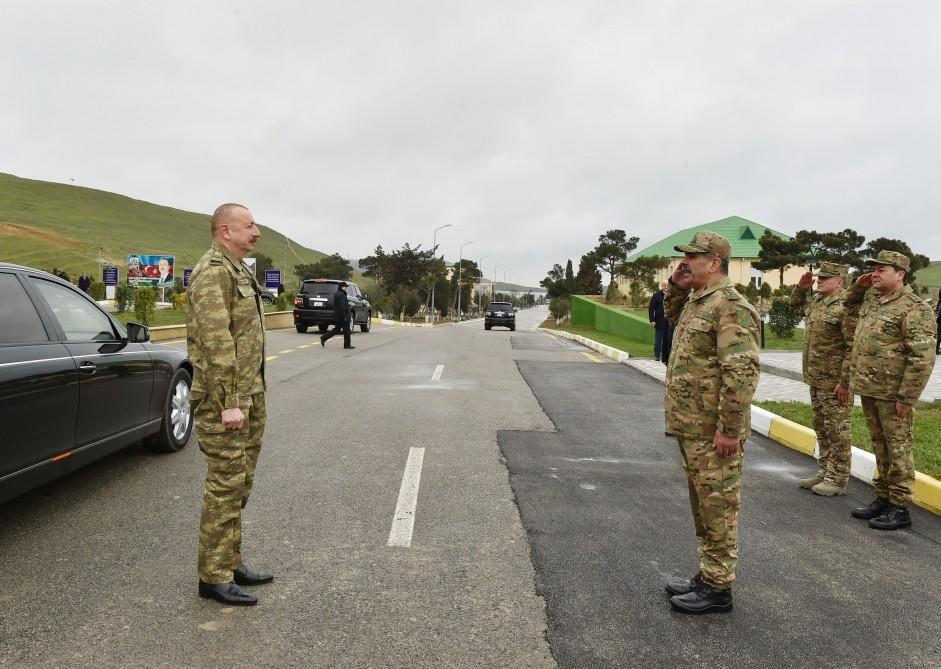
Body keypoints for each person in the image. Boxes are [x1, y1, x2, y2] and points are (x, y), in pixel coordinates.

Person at [661, 231, 760, 614]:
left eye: (693, 258)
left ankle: (719, 587)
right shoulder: (699, 301)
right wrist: (675, 284)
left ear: (714, 262)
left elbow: (740, 374)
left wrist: (729, 429)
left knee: (719, 507)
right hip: (692, 425)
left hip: (713, 431)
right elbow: (671, 317)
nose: (687, 263)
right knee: (704, 506)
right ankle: (708, 574)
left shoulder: (731, 307)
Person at [186, 203, 272, 606]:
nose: (256, 231)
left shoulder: (238, 268)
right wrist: (228, 402)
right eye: (249, 225)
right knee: (224, 484)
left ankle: (230, 560)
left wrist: (249, 396)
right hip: (226, 401)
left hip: (249, 395)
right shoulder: (212, 273)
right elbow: (217, 342)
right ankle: (213, 576)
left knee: (241, 483)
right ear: (225, 230)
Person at [844, 251, 936, 530]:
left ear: (900, 274)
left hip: (893, 394)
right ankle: (882, 497)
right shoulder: (873, 300)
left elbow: (922, 358)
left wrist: (908, 397)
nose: (874, 273)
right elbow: (848, 309)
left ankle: (899, 506)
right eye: (872, 269)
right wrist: (857, 287)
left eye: (881, 269)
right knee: (880, 446)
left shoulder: (914, 308)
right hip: (871, 388)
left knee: (898, 449)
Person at [790, 262, 855, 496]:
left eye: (825, 278)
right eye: (819, 277)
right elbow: (795, 305)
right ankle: (826, 470)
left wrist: (845, 381)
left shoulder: (846, 306)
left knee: (838, 430)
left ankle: (838, 478)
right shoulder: (818, 301)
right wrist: (801, 287)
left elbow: (852, 347)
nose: (820, 280)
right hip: (817, 378)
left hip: (835, 382)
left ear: (839, 281)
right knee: (821, 426)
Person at [320, 281, 355, 349]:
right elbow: (342, 307)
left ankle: (323, 338)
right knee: (347, 331)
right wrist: (345, 316)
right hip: (342, 316)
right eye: (345, 287)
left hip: (338, 316)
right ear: (342, 287)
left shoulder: (337, 294)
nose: (346, 288)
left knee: (336, 329)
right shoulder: (341, 295)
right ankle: (347, 345)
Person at [648, 280, 673, 364]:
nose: (666, 287)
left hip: (670, 321)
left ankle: (666, 356)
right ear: (661, 286)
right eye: (664, 285)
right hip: (659, 321)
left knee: (668, 340)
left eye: (667, 285)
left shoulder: (672, 295)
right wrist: (652, 320)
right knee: (658, 340)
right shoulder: (656, 296)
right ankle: (657, 355)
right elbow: (651, 309)